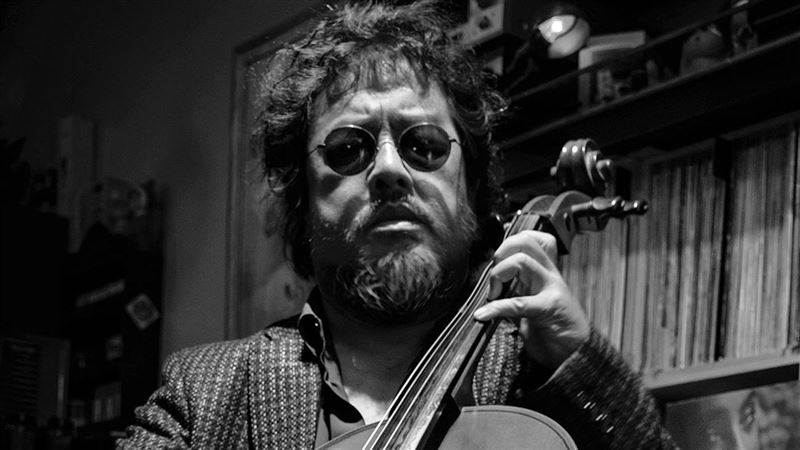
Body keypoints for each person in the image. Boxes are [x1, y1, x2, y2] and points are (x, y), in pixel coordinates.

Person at [118, 1, 675, 448]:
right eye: (347, 149)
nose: (388, 169)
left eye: (424, 145)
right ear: (302, 199)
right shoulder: (205, 394)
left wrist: (580, 364)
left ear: (470, 186)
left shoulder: (545, 381)